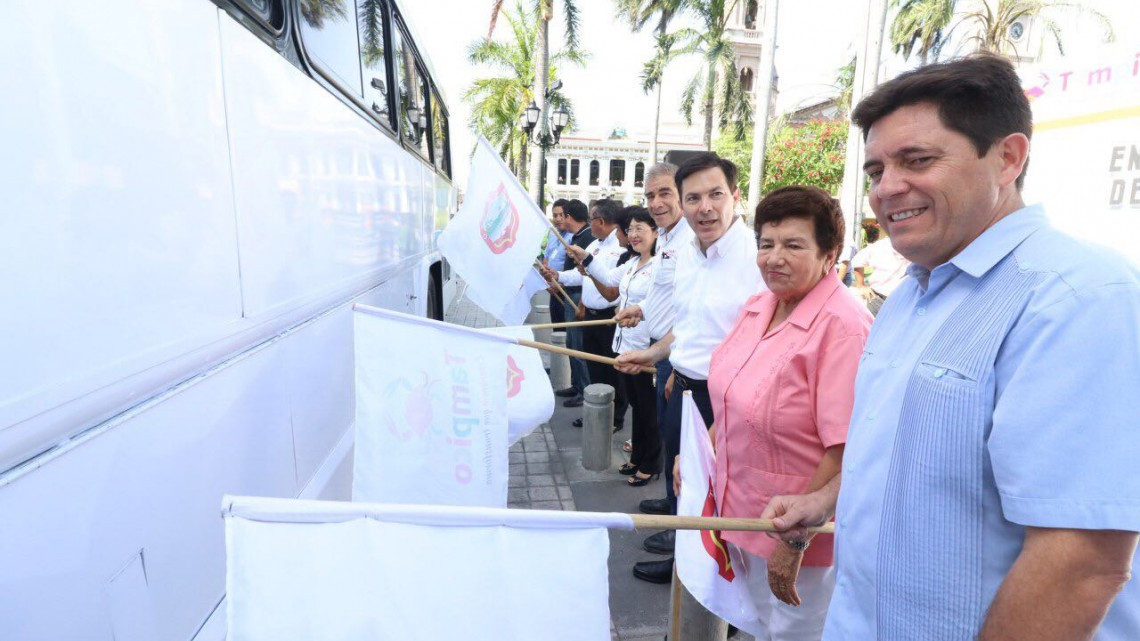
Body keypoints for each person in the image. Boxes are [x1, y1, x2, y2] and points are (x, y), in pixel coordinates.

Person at [762, 55, 1140, 640]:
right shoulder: (911, 295)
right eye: (876, 169)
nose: (887, 188)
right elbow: (912, 461)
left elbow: (1081, 559)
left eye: (917, 160)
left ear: (1008, 158)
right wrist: (829, 499)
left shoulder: (1076, 299)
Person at [695, 185, 870, 639]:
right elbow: (731, 395)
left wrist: (795, 540)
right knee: (758, 624)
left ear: (830, 254)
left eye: (793, 245)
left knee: (794, 632)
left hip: (799, 532)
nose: (774, 258)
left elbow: (846, 447)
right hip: (740, 511)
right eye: (766, 244)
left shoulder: (843, 327)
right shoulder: (760, 306)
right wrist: (700, 452)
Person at [615, 153, 764, 584]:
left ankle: (711, 584)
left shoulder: (756, 257)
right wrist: (658, 357)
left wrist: (724, 414)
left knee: (717, 494)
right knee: (684, 486)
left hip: (725, 400)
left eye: (716, 194)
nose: (705, 207)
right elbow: (686, 326)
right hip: (681, 388)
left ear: (735, 196)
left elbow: (762, 347)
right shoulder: (687, 253)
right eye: (694, 198)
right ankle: (684, 563)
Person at [613, 162, 693, 558]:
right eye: (649, 195)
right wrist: (641, 310)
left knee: (681, 448)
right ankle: (671, 504)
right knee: (668, 434)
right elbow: (667, 296)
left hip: (678, 359)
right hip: (665, 355)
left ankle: (682, 535)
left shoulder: (692, 240)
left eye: (665, 193)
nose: (656, 202)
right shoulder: (668, 239)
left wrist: (671, 361)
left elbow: (694, 312)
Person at [549, 198, 629, 432]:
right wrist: (558, 276)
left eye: (591, 219)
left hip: (610, 318)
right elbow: (581, 275)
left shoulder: (621, 249)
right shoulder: (595, 245)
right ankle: (597, 412)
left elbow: (611, 284)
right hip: (591, 317)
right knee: (594, 369)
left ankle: (615, 418)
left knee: (613, 371)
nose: (589, 223)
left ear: (600, 221)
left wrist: (588, 263)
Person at [607, 206, 662, 486]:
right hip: (624, 345)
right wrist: (584, 259)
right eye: (630, 229)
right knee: (637, 408)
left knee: (649, 410)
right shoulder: (631, 263)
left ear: (656, 232)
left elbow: (661, 306)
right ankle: (638, 456)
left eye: (641, 228)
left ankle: (652, 463)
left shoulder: (660, 265)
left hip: (646, 348)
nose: (634, 234)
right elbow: (608, 280)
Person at [554, 199, 593, 408]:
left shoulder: (587, 238)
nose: (559, 219)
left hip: (579, 296)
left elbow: (586, 274)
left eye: (563, 215)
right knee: (571, 344)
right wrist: (557, 276)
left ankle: (584, 390)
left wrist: (583, 303)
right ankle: (576, 385)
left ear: (569, 216)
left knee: (578, 347)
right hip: (571, 294)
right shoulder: (577, 236)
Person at [849, 224, 909, 315]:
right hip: (878, 299)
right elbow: (857, 261)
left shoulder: (914, 247)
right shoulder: (879, 247)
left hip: (904, 302)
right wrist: (861, 285)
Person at [544, 199, 573, 328]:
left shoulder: (572, 236)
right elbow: (546, 259)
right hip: (553, 290)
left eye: (561, 215)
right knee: (556, 329)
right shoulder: (552, 233)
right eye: (555, 215)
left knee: (566, 330)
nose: (558, 219)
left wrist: (561, 284)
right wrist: (545, 281)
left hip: (567, 291)